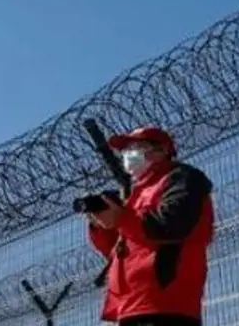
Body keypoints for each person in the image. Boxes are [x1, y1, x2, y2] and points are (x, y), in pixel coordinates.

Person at [85, 126, 215, 326]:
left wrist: (121, 219)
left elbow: (172, 225)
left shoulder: (182, 178)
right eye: (125, 150)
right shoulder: (136, 192)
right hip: (132, 306)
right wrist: (100, 225)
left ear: (161, 150)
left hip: (166, 303)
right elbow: (120, 249)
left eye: (136, 147)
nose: (128, 154)